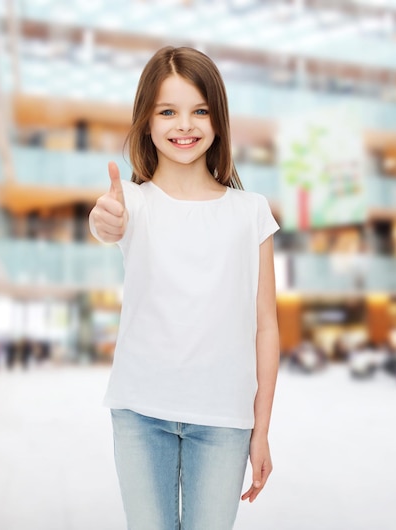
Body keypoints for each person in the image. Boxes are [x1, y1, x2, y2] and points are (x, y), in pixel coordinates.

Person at [89, 46, 280, 530]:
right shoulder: (129, 201)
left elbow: (266, 327)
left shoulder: (250, 210)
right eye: (167, 111)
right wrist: (104, 223)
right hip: (139, 413)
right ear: (146, 122)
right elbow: (105, 224)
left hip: (224, 421)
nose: (185, 125)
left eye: (199, 111)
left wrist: (262, 430)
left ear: (218, 120)